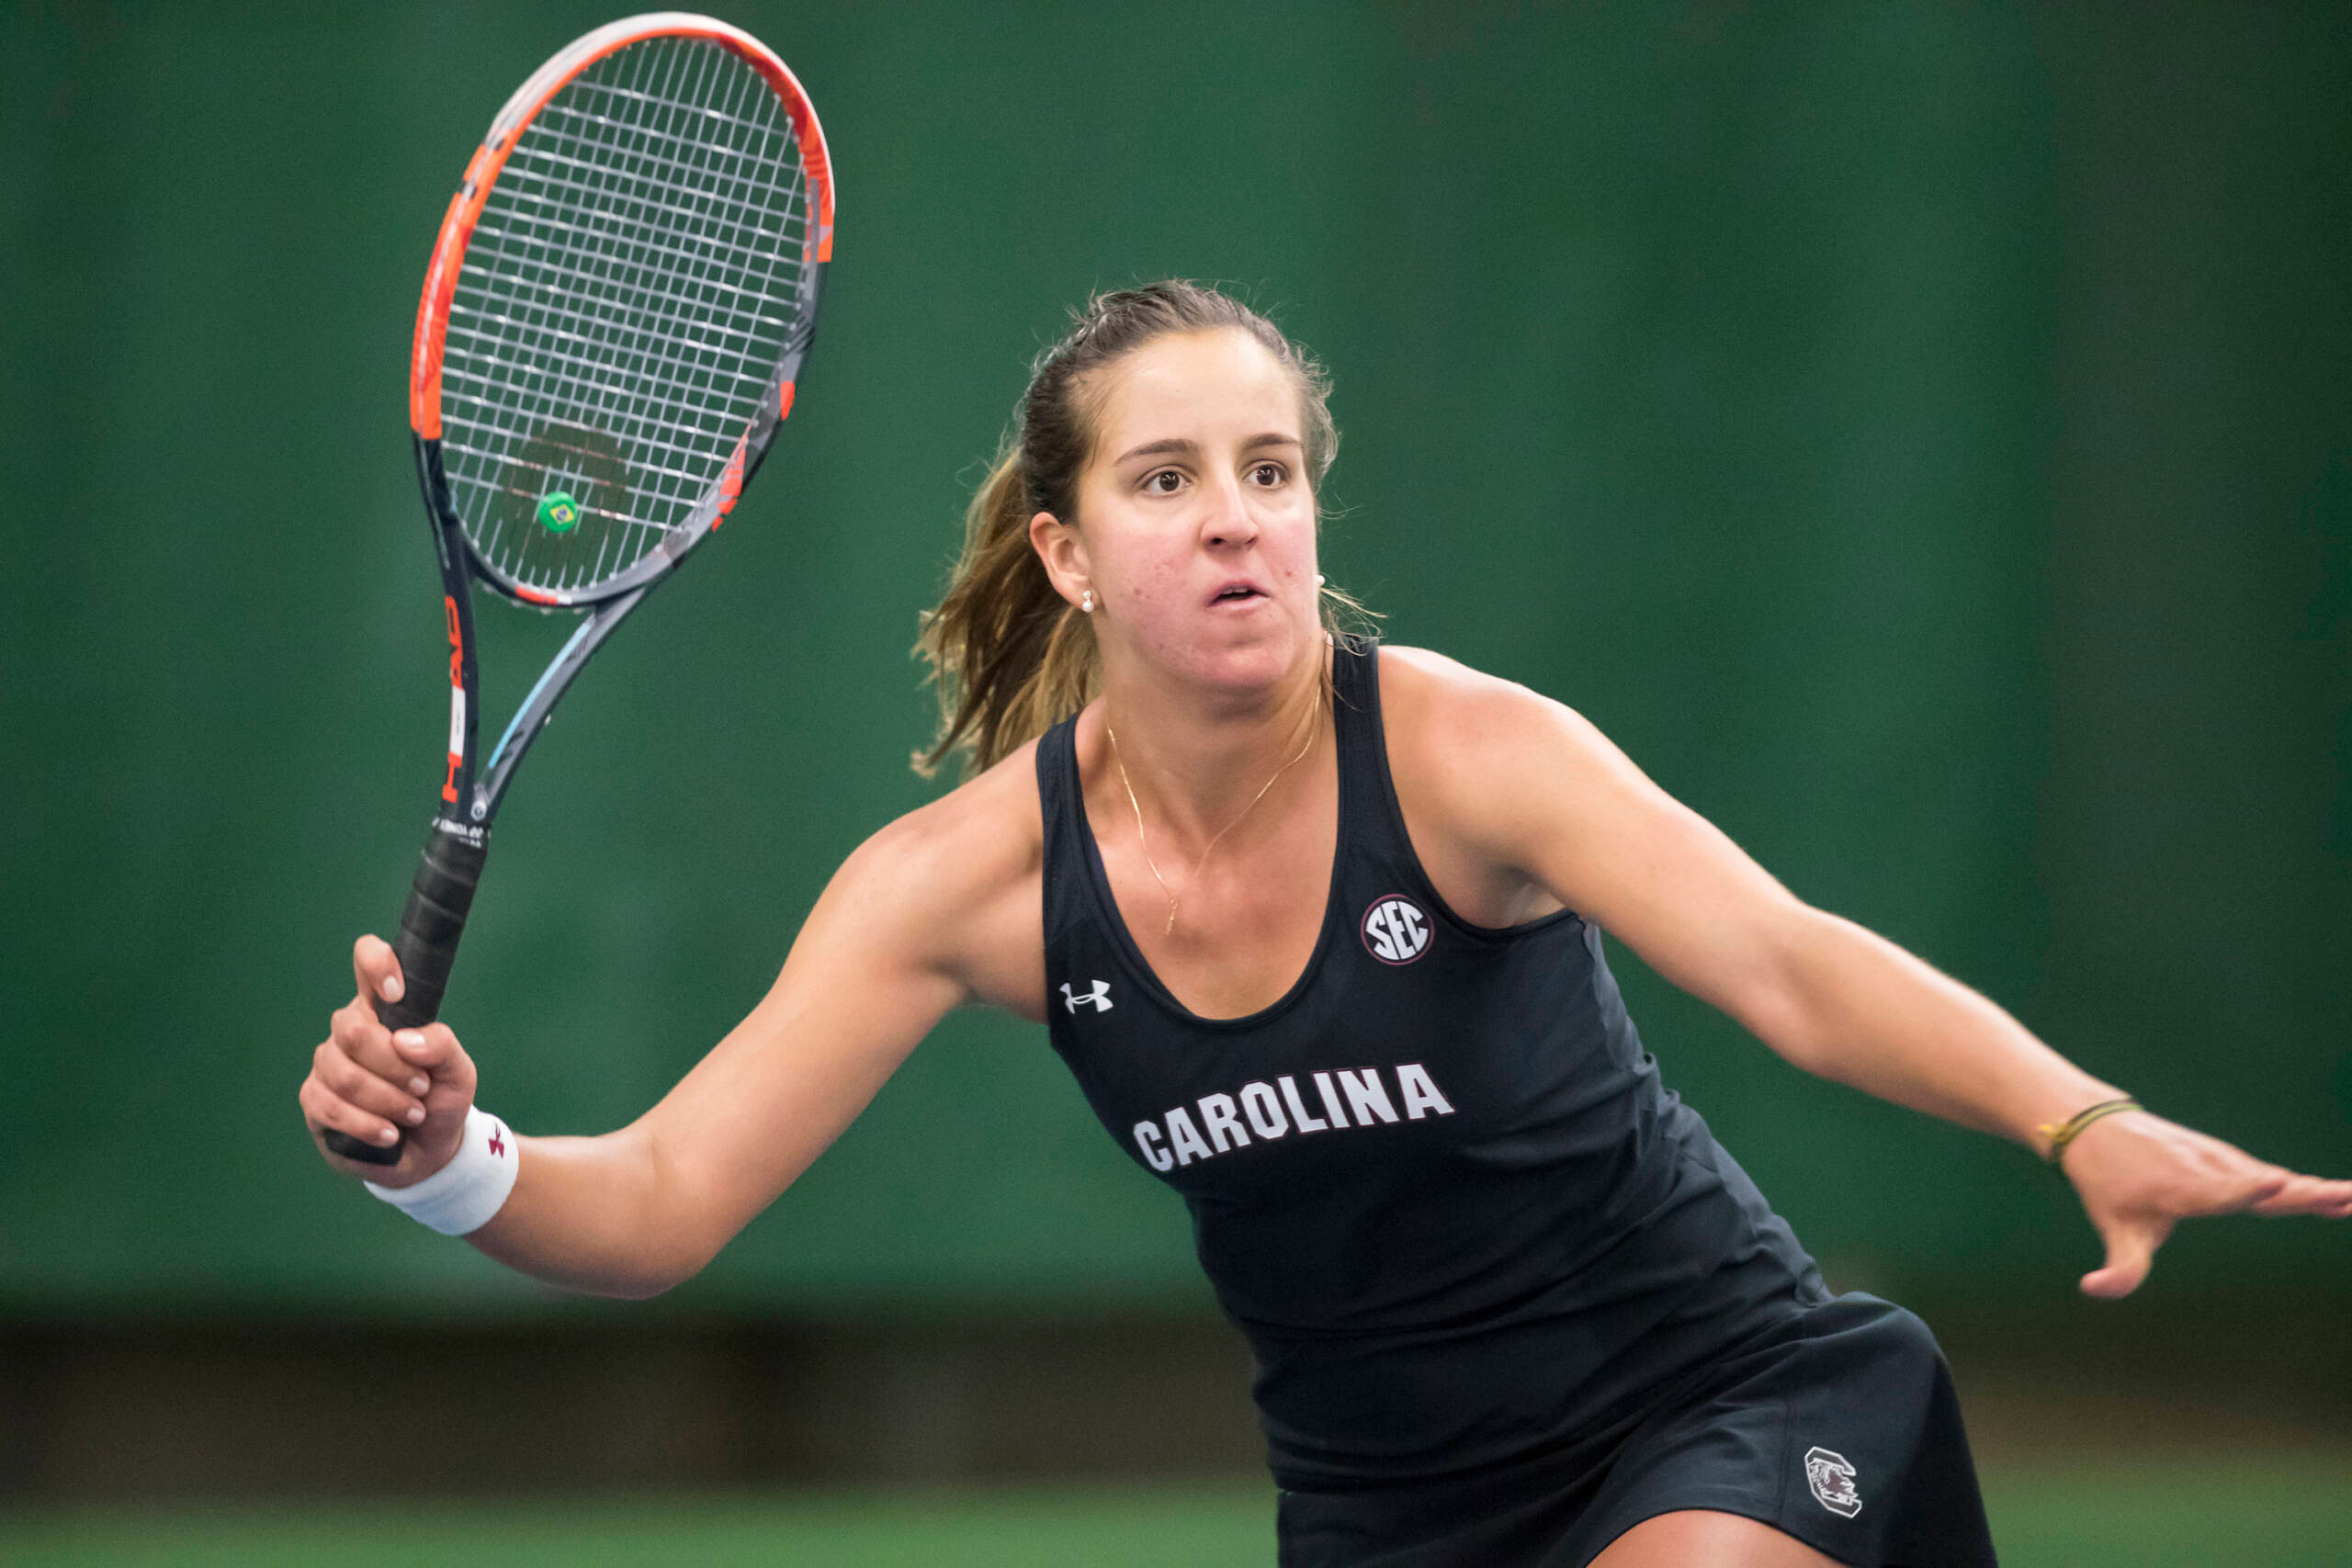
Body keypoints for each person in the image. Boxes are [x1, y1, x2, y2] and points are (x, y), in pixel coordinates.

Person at [302, 281, 2352, 1567]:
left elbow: (1794, 964)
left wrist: (2077, 1121)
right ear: (1067, 551)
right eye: (1171, 476)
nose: (1237, 515)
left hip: (1720, 1401)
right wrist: (437, 1159)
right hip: (1390, 1510)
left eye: (1271, 469)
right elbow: (656, 1204)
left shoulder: (1467, 758)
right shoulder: (965, 889)